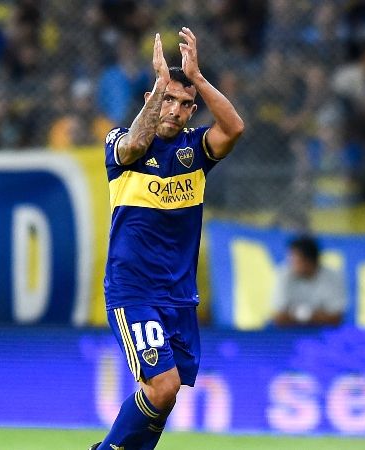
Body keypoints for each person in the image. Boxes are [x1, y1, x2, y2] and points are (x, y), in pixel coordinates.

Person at [91, 27, 244, 450]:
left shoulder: (196, 151)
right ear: (151, 100)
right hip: (134, 290)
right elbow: (135, 144)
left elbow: (233, 127)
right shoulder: (119, 144)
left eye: (184, 104)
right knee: (161, 387)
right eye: (168, 100)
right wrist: (161, 84)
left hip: (179, 294)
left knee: (169, 391)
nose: (175, 110)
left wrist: (197, 78)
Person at [271, 235, 347, 326]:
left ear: (310, 261)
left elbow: (336, 318)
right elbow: (279, 317)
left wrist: (295, 315)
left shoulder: (333, 277)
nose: (291, 264)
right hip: (289, 334)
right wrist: (316, 316)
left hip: (324, 334)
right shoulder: (283, 274)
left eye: (296, 261)